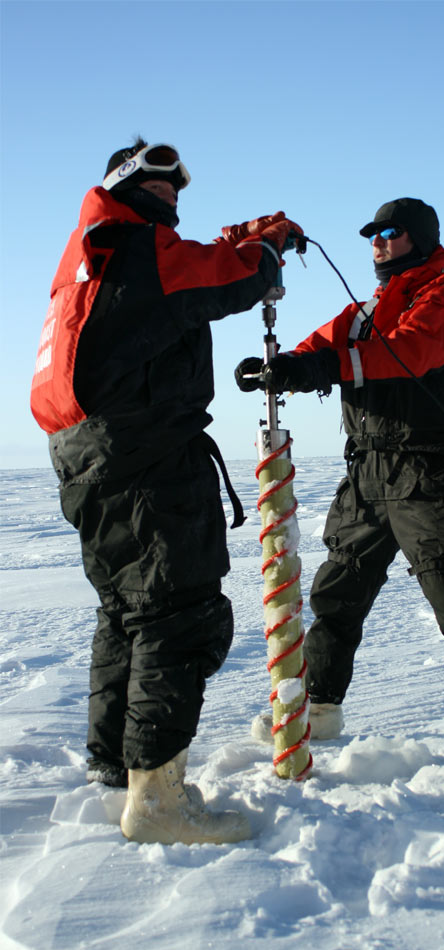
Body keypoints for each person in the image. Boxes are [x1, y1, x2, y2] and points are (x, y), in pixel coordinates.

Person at [30, 137, 304, 843]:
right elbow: (229, 279)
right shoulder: (142, 250)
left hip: (87, 458)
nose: (171, 194)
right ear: (124, 185)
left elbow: (196, 269)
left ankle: (116, 766)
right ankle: (158, 802)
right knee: (180, 614)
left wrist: (243, 242)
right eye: (157, 183)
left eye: (177, 186)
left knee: (128, 609)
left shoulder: (92, 258)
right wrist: (267, 251)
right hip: (147, 457)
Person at [235, 197, 444, 771]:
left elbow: (410, 353)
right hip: (369, 475)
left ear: (422, 237)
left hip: (435, 476)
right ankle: (321, 707)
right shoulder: (365, 311)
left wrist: (323, 369)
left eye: (391, 232)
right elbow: (323, 348)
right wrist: (279, 366)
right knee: (337, 596)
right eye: (373, 234)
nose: (378, 242)